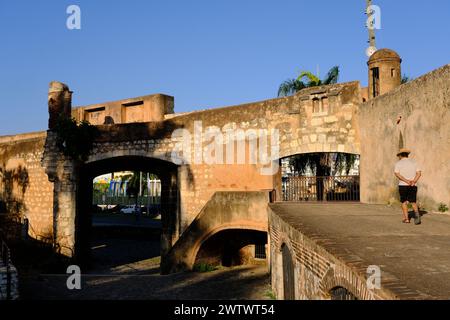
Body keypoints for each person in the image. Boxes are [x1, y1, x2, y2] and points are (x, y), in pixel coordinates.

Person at [394, 148, 422, 224]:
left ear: (400, 155)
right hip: (413, 185)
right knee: (413, 202)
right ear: (407, 155)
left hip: (403, 185)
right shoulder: (414, 162)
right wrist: (413, 181)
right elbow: (419, 173)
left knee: (403, 202)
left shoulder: (398, 163)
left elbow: (397, 174)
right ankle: (417, 215)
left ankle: (406, 219)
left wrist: (406, 181)